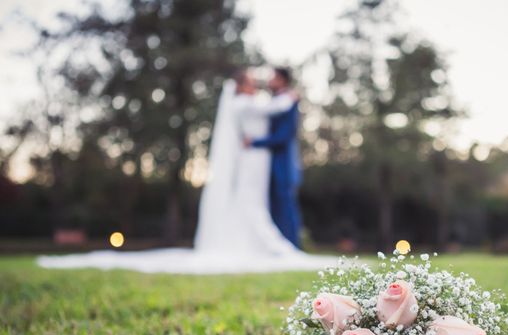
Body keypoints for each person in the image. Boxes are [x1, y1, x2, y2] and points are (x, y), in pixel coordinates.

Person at [37, 68, 332, 274]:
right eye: (252, 81)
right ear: (240, 86)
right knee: (250, 202)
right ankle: (272, 246)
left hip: (257, 159)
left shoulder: (248, 102)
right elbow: (272, 110)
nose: (256, 85)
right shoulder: (244, 104)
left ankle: (266, 244)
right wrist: (289, 97)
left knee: (253, 202)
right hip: (253, 159)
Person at [244, 67, 302, 248]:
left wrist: (255, 142)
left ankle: (292, 246)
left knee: (284, 205)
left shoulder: (288, 102)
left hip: (283, 162)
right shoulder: (275, 101)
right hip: (268, 162)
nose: (269, 81)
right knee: (272, 206)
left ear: (282, 80)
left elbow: (284, 136)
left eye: (273, 78)